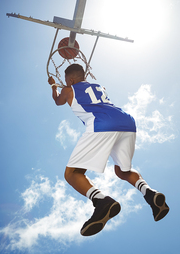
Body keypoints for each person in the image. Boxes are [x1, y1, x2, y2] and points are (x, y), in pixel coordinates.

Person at [48, 63, 169, 236]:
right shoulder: (99, 86)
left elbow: (57, 101)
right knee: (122, 170)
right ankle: (149, 193)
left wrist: (54, 86)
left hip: (101, 124)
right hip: (127, 122)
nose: (65, 83)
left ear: (72, 79)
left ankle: (101, 201)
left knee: (72, 174)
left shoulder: (68, 89)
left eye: (67, 80)